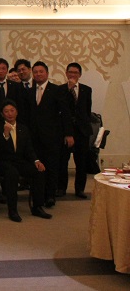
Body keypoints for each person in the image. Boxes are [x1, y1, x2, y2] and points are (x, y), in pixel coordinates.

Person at [0, 100, 51, 222]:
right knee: (12, 173)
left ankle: (37, 207)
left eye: (12, 111)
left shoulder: (23, 128)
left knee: (39, 171)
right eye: (6, 111)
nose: (10, 114)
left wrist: (36, 161)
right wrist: (5, 134)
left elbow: (29, 149)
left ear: (17, 112)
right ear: (2, 114)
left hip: (19, 161)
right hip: (3, 162)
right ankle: (12, 210)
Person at [26, 61, 72, 207]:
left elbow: (66, 113)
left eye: (41, 71)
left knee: (52, 166)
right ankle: (38, 195)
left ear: (47, 73)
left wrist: (68, 134)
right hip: (34, 136)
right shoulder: (29, 92)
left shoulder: (57, 90)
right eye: (35, 72)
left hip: (52, 136)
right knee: (37, 166)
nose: (38, 74)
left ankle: (50, 196)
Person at [58, 62, 93, 199]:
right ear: (66, 73)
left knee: (81, 162)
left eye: (75, 73)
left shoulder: (86, 90)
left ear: (80, 75)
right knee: (63, 161)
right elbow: (62, 108)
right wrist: (69, 90)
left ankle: (80, 189)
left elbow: (87, 110)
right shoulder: (60, 89)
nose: (73, 75)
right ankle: (61, 188)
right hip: (66, 130)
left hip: (82, 131)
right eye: (70, 72)